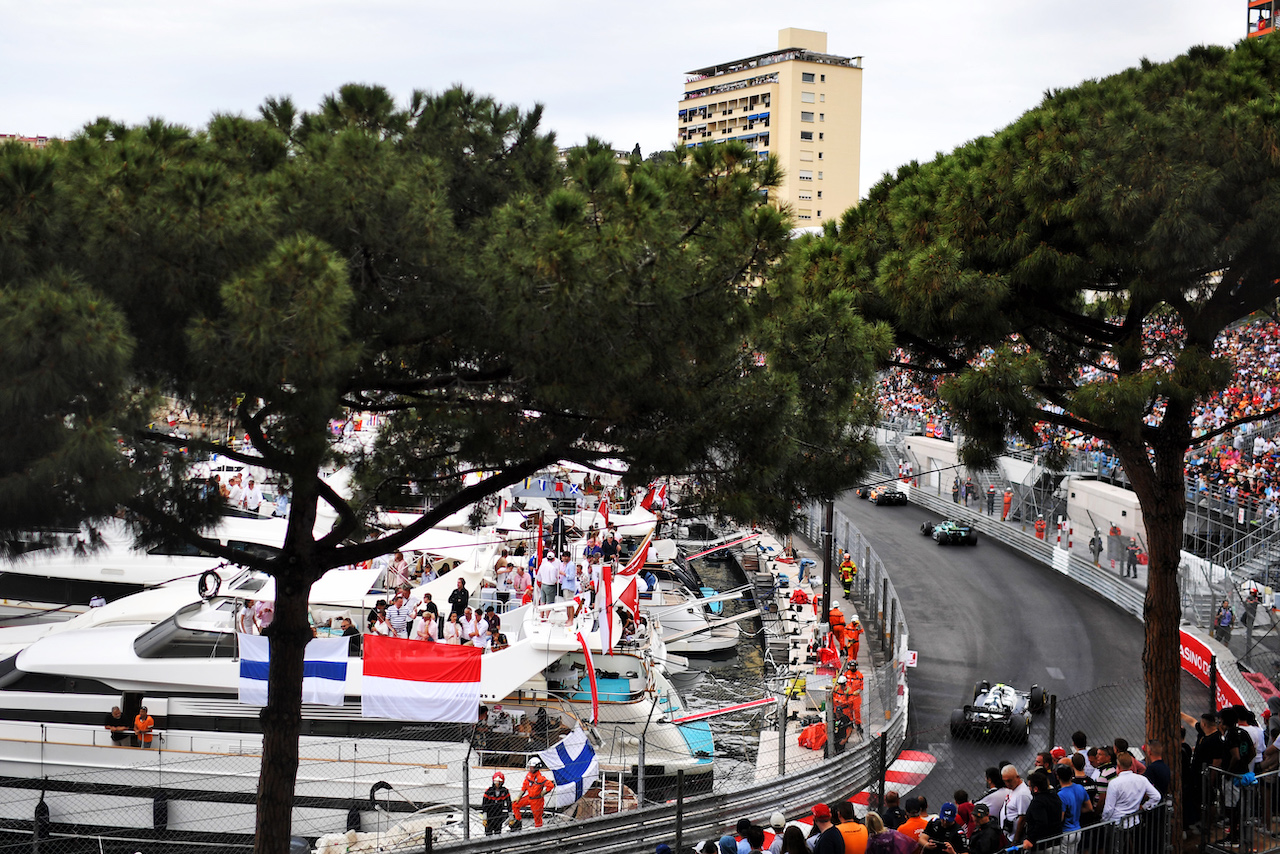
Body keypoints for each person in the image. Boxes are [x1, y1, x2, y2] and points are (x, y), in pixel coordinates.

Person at [1100, 752, 1160, 827]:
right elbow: (1156, 796)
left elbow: (1109, 808)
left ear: (1118, 766)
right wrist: (1144, 806)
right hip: (1134, 821)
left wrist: (1104, 820)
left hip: (1117, 822)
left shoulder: (1114, 783)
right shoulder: (1142, 779)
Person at [509, 756, 555, 829]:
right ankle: (518, 822)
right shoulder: (529, 775)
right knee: (515, 805)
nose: (530, 768)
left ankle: (538, 831)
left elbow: (551, 785)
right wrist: (519, 796)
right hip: (529, 797)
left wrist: (543, 793)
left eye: (532, 767)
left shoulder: (540, 778)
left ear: (537, 767)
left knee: (537, 819)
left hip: (537, 800)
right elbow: (524, 786)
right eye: (530, 767)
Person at [1021, 770, 1062, 848]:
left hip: (1043, 845)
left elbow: (1041, 822)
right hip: (1056, 841)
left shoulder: (1037, 802)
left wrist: (1030, 839)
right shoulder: (1054, 796)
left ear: (1035, 788)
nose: (1029, 789)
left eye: (1030, 786)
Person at [1000, 765, 1031, 844]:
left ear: (1017, 777)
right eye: (1005, 781)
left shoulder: (1022, 794)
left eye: (1009, 780)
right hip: (1008, 835)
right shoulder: (1014, 788)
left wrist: (1015, 840)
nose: (1007, 783)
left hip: (1014, 839)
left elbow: (1023, 818)